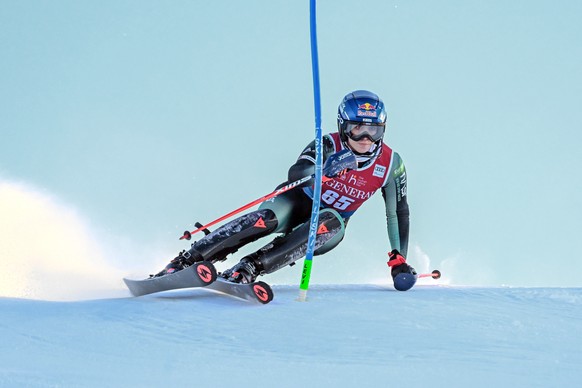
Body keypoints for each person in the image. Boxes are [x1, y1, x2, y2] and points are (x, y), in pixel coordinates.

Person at [154, 90, 415, 289]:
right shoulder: (327, 144)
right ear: (343, 127)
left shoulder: (391, 164)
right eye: (357, 129)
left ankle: (248, 268)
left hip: (329, 223)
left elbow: (398, 213)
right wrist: (325, 170)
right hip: (297, 201)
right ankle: (187, 260)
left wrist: (399, 258)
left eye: (373, 130)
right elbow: (297, 174)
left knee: (329, 222)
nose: (365, 139)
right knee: (265, 219)